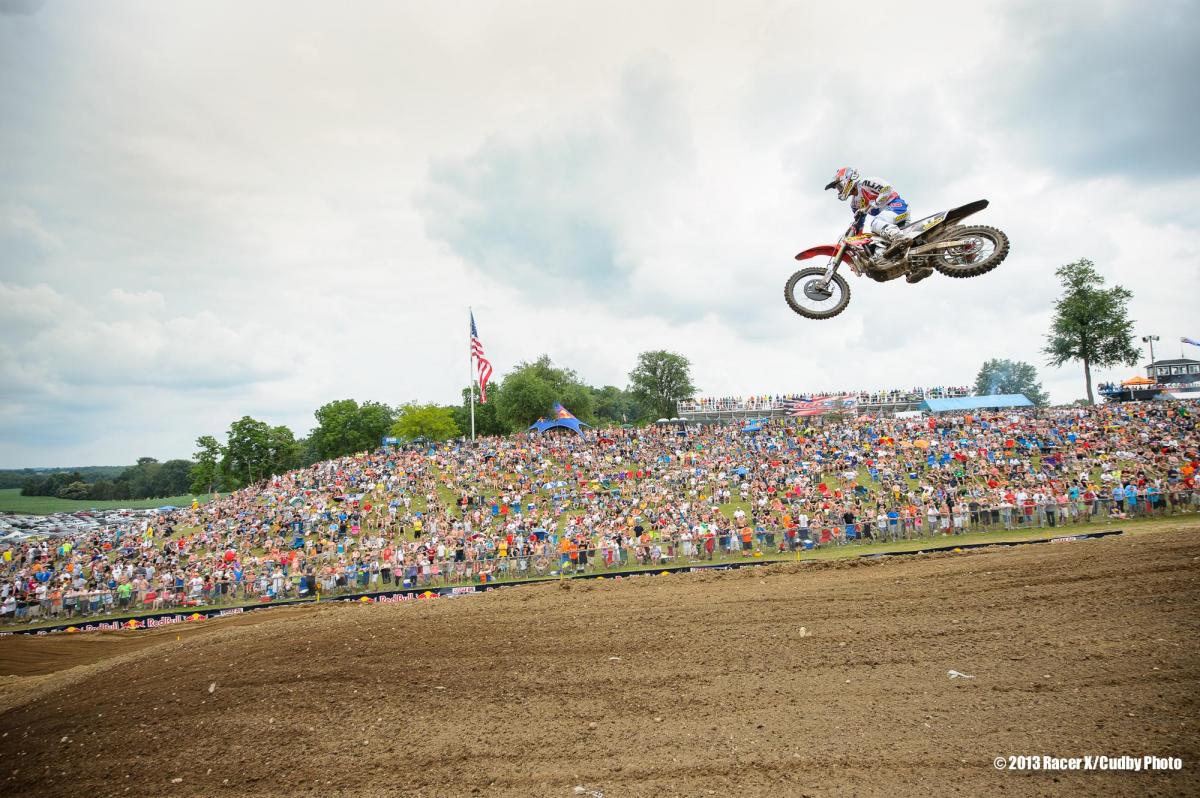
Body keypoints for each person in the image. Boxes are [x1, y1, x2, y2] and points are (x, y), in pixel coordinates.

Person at [825, 166, 933, 283]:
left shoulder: (866, 183)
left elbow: (887, 190)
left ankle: (899, 238)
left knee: (875, 223)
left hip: (898, 207)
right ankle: (918, 267)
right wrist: (856, 241)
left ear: (848, 179)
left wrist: (869, 207)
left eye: (839, 186)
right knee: (878, 246)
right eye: (837, 188)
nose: (839, 190)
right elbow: (859, 223)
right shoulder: (854, 204)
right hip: (889, 219)